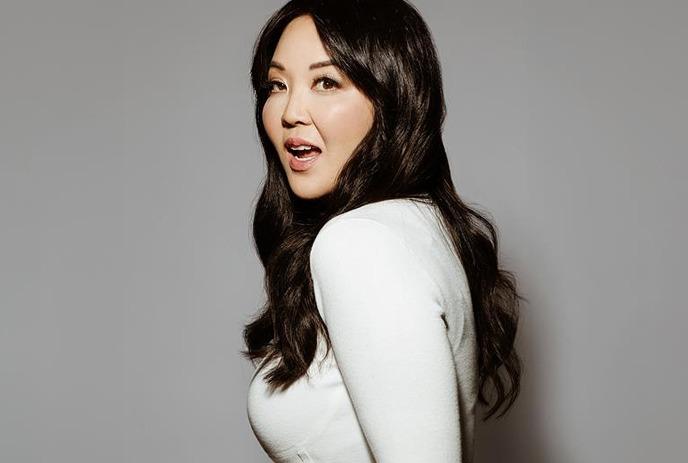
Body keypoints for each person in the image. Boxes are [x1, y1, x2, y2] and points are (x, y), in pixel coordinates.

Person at [241, 1, 523, 461]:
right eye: (277, 85)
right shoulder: (422, 224)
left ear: (391, 98)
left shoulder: (359, 244)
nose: (290, 111)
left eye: (326, 82)